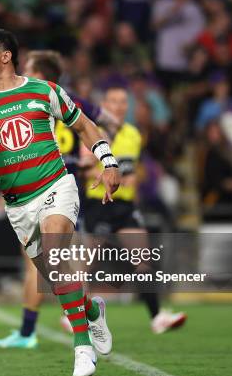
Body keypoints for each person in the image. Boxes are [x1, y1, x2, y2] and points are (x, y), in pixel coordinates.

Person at [0, 29, 120, 376]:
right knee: (56, 279)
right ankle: (90, 310)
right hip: (17, 206)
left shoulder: (45, 92)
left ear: (5, 55)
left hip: (56, 186)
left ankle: (82, 347)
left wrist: (109, 161)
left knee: (56, 251)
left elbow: (86, 126)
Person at [0, 49, 119, 349]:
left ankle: (49, 325)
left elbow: (102, 125)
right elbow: (109, 122)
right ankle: (71, 314)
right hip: (42, 185)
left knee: (53, 260)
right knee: (48, 263)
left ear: (42, 73)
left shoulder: (54, 97)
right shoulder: (28, 100)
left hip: (60, 184)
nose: (23, 72)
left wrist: (99, 158)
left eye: (30, 68)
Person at [80, 84, 186, 335]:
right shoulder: (93, 132)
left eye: (123, 102)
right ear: (104, 105)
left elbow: (133, 170)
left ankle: (157, 316)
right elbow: (84, 167)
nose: (118, 106)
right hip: (99, 204)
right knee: (87, 263)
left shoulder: (134, 135)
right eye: (113, 101)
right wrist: (107, 174)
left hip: (125, 206)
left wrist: (133, 182)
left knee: (143, 260)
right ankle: (75, 313)